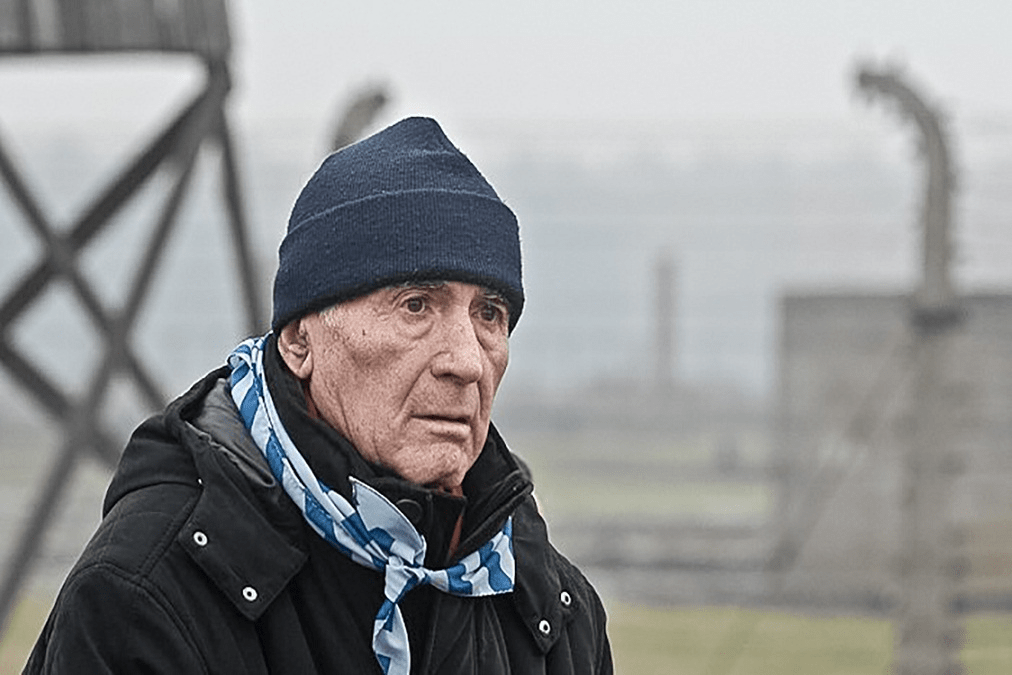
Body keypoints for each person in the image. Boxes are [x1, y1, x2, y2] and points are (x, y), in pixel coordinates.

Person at [25, 116, 613, 674]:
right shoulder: (148, 599)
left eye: (490, 314)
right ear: (300, 341)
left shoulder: (553, 614)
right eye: (416, 306)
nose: (466, 361)